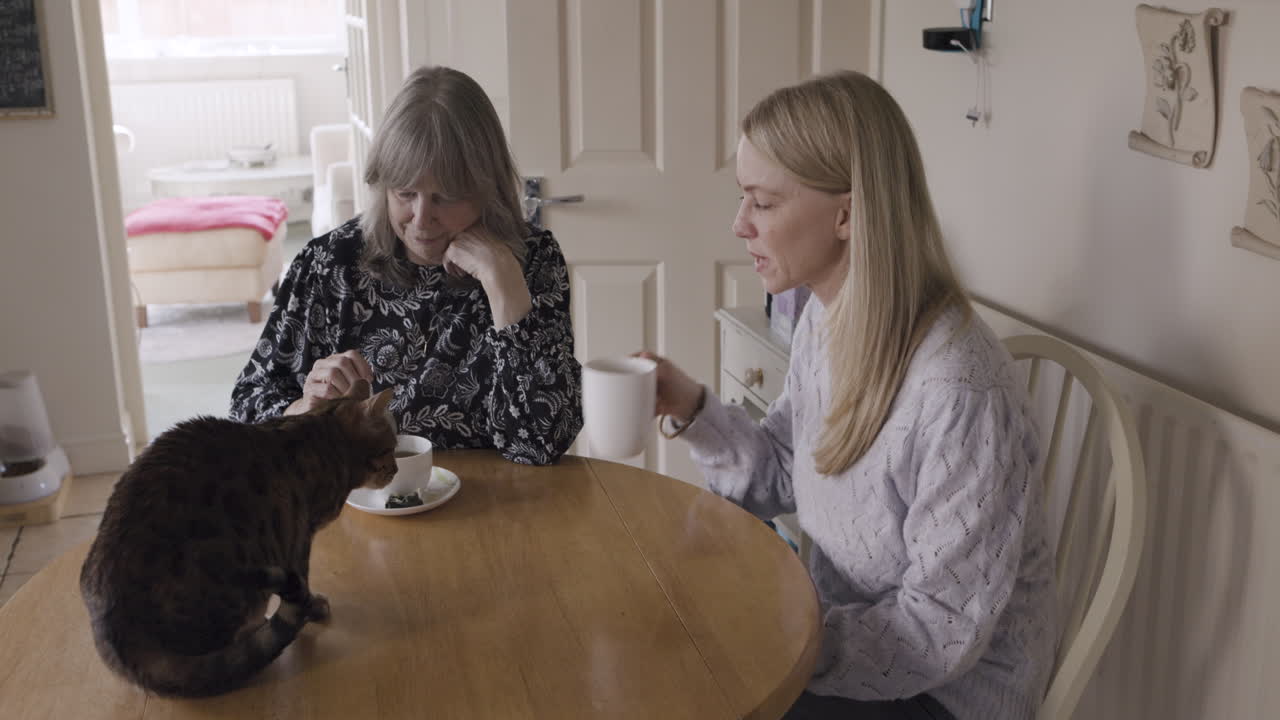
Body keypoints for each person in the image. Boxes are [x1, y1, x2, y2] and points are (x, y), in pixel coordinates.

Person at [640, 71, 1055, 719]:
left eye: (763, 201)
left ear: (846, 214)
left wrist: (776, 637)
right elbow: (784, 472)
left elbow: (941, 631)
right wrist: (690, 407)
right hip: (844, 637)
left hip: (941, 692)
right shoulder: (826, 317)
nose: (738, 223)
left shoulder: (958, 391)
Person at [231, 66, 583, 466]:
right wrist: (305, 410)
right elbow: (246, 409)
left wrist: (504, 285)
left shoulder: (532, 262)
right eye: (405, 193)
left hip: (498, 506)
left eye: (445, 197)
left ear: (488, 187)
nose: (420, 219)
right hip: (360, 507)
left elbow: (543, 443)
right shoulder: (330, 264)